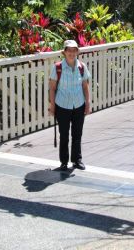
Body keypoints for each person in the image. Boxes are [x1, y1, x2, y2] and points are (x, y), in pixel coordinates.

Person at [48, 39, 91, 171]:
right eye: (69, 50)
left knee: (77, 134)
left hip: (78, 104)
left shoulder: (82, 67)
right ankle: (64, 162)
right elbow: (52, 88)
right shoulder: (57, 68)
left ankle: (77, 160)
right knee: (64, 135)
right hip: (62, 105)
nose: (72, 53)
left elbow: (85, 86)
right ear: (65, 52)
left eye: (74, 50)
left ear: (77, 52)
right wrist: (52, 107)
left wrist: (88, 103)